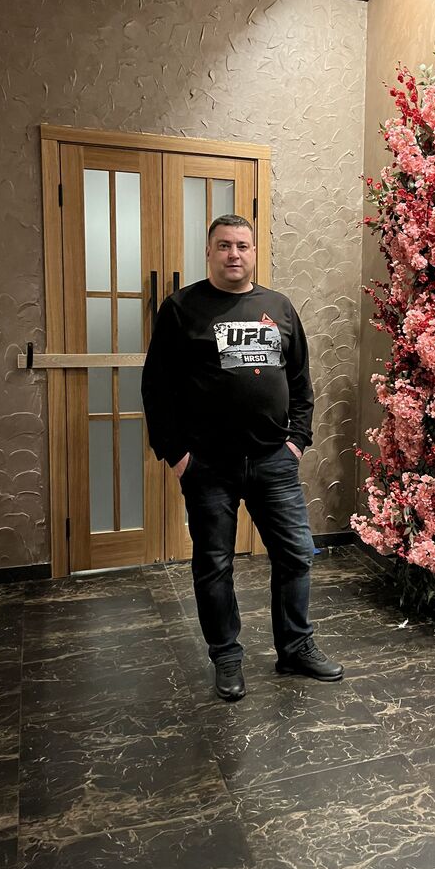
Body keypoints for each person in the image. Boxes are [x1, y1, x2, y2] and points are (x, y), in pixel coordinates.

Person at [142, 214, 343, 699]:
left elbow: (300, 382)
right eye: (224, 245)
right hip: (209, 465)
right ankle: (227, 656)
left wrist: (296, 441)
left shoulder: (279, 307)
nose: (234, 254)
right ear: (209, 252)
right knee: (215, 564)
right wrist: (177, 455)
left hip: (274, 460)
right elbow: (157, 389)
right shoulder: (181, 309)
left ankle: (295, 647)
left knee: (296, 554)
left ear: (254, 252)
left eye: (242, 245)